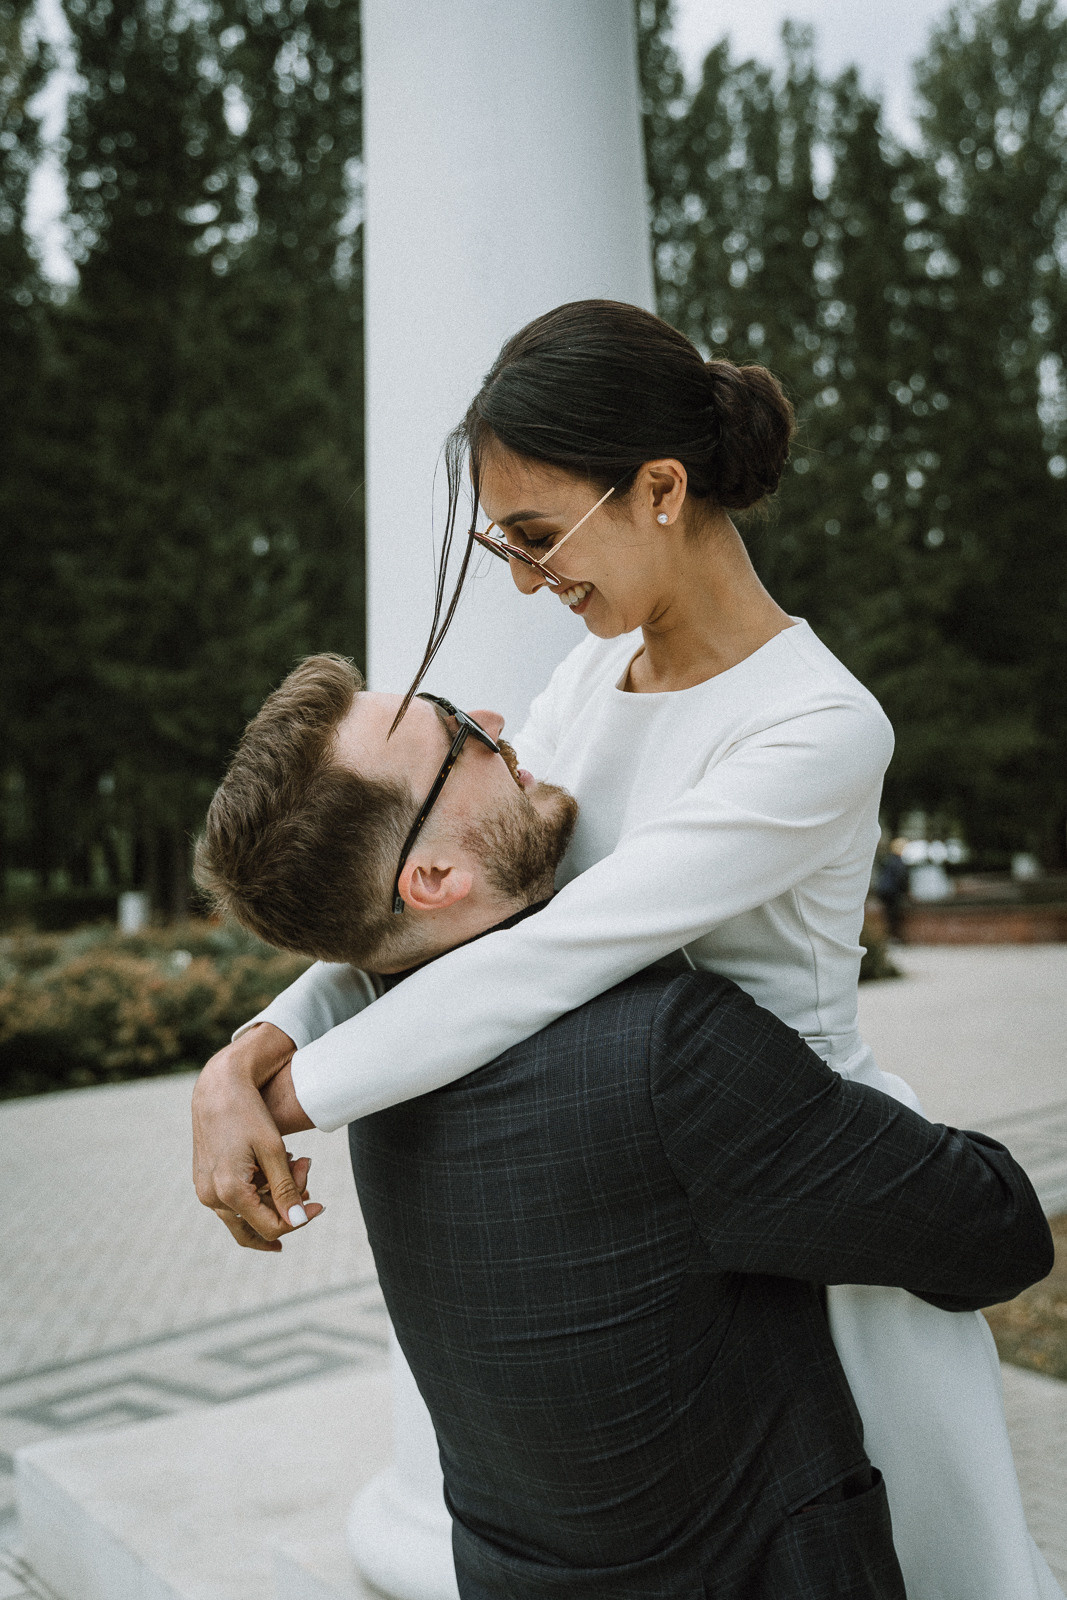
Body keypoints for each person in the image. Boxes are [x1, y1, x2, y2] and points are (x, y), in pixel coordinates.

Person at [192, 301, 1063, 1600]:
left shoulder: (816, 727)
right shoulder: (591, 681)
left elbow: (560, 955)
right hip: (654, 1187)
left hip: (812, 1185)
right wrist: (247, 1052)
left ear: (661, 489)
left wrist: (289, 1095)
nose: (527, 580)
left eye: (538, 538)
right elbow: (449, 918)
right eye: (505, 544)